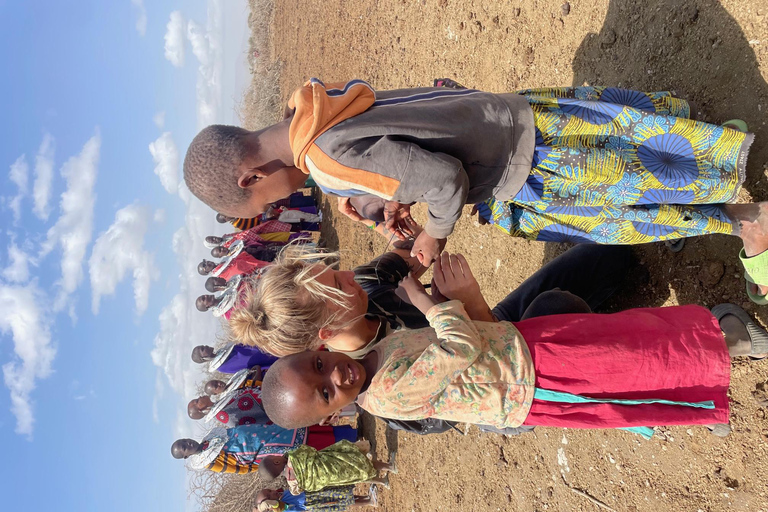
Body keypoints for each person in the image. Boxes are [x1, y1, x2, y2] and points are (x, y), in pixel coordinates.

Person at [183, 79, 768, 302]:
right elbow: (402, 138)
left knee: (623, 193)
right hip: (508, 116)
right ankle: (708, 154)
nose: (281, 203)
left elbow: (445, 181)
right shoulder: (307, 107)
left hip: (528, 165)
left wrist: (433, 238)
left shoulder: (326, 160)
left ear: (250, 177)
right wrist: (389, 195)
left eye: (267, 201)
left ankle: (746, 216)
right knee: (620, 134)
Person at [259, 252, 768, 438]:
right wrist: (440, 300)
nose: (356, 277)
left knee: (620, 341)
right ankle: (717, 355)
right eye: (325, 392)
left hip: (514, 346)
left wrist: (424, 269)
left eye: (321, 367)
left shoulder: (373, 340)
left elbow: (456, 333)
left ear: (320, 350)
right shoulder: (390, 397)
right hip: (528, 379)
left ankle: (703, 355)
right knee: (622, 365)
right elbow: (460, 350)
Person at [228, 241, 633, 358]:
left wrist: (406, 236)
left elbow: (410, 254)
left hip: (486, 322)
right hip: (503, 369)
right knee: (553, 307)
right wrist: (464, 300)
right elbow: (491, 360)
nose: (353, 276)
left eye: (337, 271)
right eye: (341, 284)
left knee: (607, 256)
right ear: (328, 331)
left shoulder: (366, 285)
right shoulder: (376, 373)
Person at [259, 440, 394, 494]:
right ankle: (389, 466)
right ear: (276, 462)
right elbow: (310, 450)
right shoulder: (295, 457)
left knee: (361, 474)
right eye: (274, 457)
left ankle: (383, 481)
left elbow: (303, 490)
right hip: (334, 462)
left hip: (336, 477)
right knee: (361, 462)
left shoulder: (293, 485)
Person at [170, 423, 310, 474]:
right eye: (184, 447)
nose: (188, 443)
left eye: (185, 440)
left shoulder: (210, 437)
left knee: (287, 427)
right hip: (256, 451)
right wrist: (257, 465)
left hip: (261, 432)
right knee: (290, 443)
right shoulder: (209, 463)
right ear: (186, 456)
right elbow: (238, 469)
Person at [254, 485, 377, 511]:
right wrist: (271, 504)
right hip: (315, 503)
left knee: (343, 494)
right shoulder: (282, 508)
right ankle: (369, 502)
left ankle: (366, 497)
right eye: (269, 496)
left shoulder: (283, 495)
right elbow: (294, 509)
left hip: (315, 494)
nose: (273, 492)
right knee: (343, 502)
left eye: (270, 490)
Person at [191, 343, 278, 374]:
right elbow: (245, 363)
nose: (205, 346)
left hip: (262, 349)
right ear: (203, 358)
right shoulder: (221, 367)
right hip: (262, 357)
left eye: (202, 346)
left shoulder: (223, 350)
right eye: (203, 349)